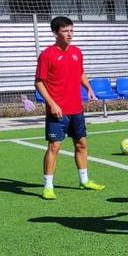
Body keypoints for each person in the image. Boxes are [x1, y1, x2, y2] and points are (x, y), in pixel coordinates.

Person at [35, 16, 103, 200]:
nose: (70, 34)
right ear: (56, 33)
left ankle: (84, 181)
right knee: (54, 147)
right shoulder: (47, 55)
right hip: (57, 110)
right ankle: (48, 187)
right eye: (65, 31)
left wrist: (88, 88)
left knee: (81, 144)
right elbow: (39, 83)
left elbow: (80, 72)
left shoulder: (77, 52)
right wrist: (52, 104)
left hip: (76, 109)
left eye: (71, 30)